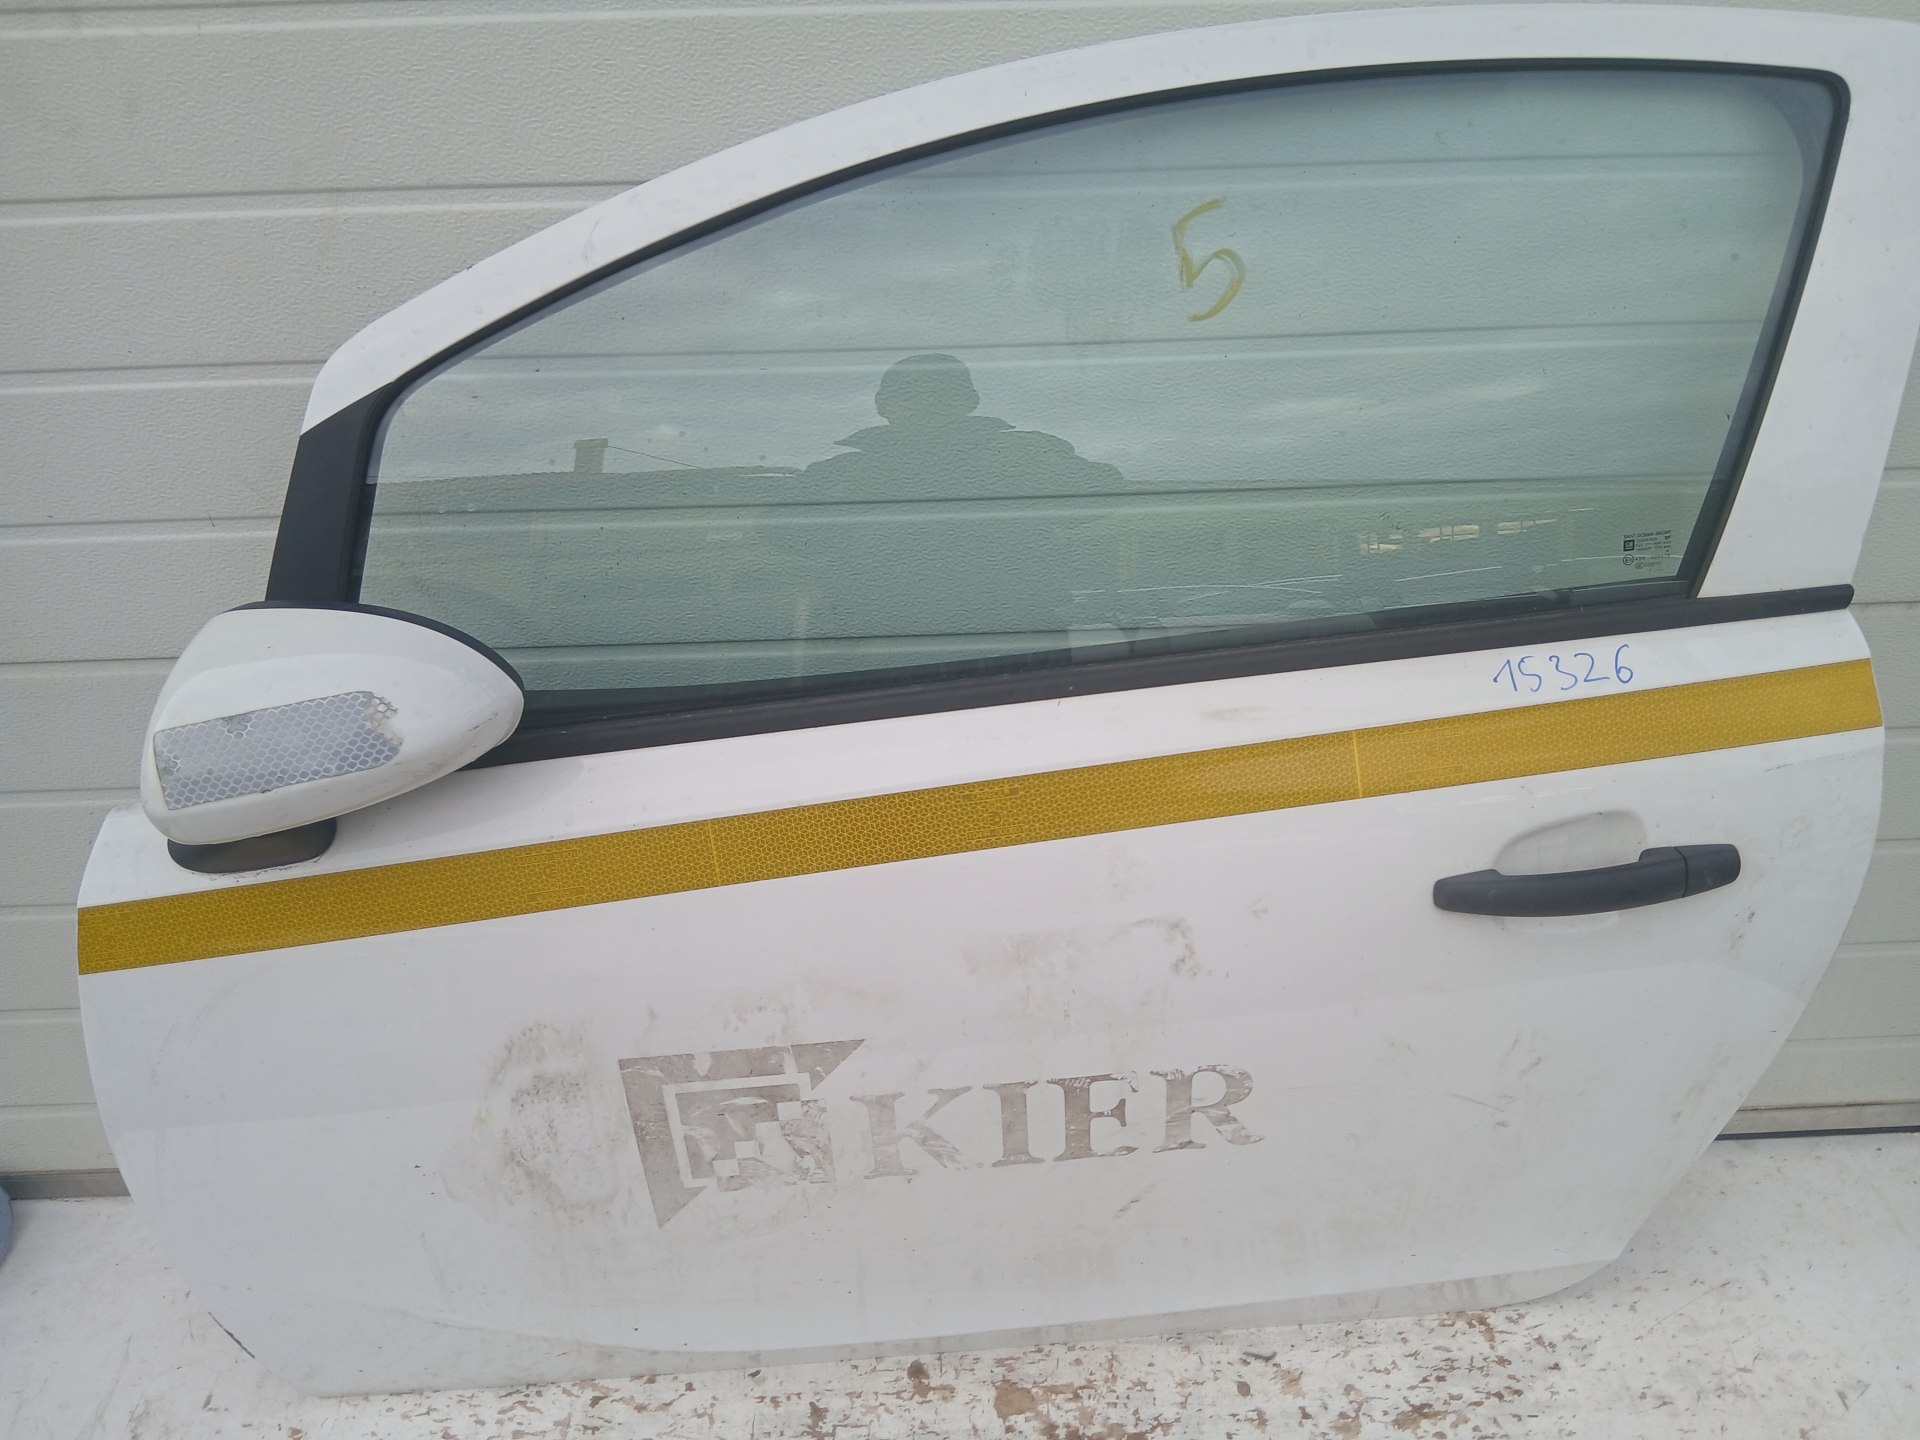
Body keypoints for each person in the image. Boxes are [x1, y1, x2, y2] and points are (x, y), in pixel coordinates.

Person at [801, 354, 1122, 498]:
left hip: (1011, 615)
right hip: (867, 616)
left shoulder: (1022, 452)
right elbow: (784, 532)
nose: (927, 402)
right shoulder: (839, 473)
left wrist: (1051, 470)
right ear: (882, 405)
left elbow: (1104, 488)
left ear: (970, 402)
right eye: (910, 393)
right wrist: (843, 495)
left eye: (943, 393)